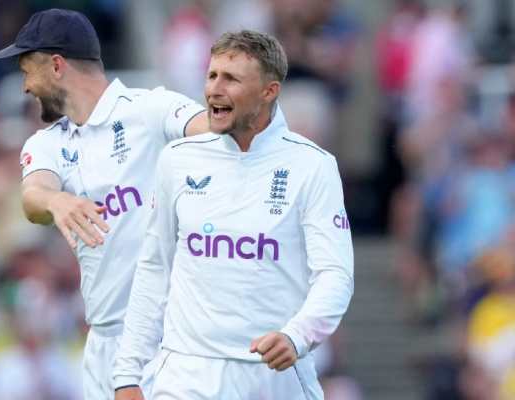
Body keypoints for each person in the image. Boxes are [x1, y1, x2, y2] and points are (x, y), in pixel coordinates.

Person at [113, 30, 354, 399]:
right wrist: (127, 373)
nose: (214, 89)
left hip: (273, 378)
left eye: (231, 79)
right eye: (211, 76)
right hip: (186, 373)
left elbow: (335, 275)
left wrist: (298, 334)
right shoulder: (178, 159)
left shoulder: (313, 166)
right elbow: (154, 268)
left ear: (269, 91)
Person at [0, 8, 208, 400]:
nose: (25, 86)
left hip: (171, 338)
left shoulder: (150, 109)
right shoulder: (47, 142)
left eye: (28, 70)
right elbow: (32, 197)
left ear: (56, 66)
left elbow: (216, 131)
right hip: (105, 344)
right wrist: (56, 201)